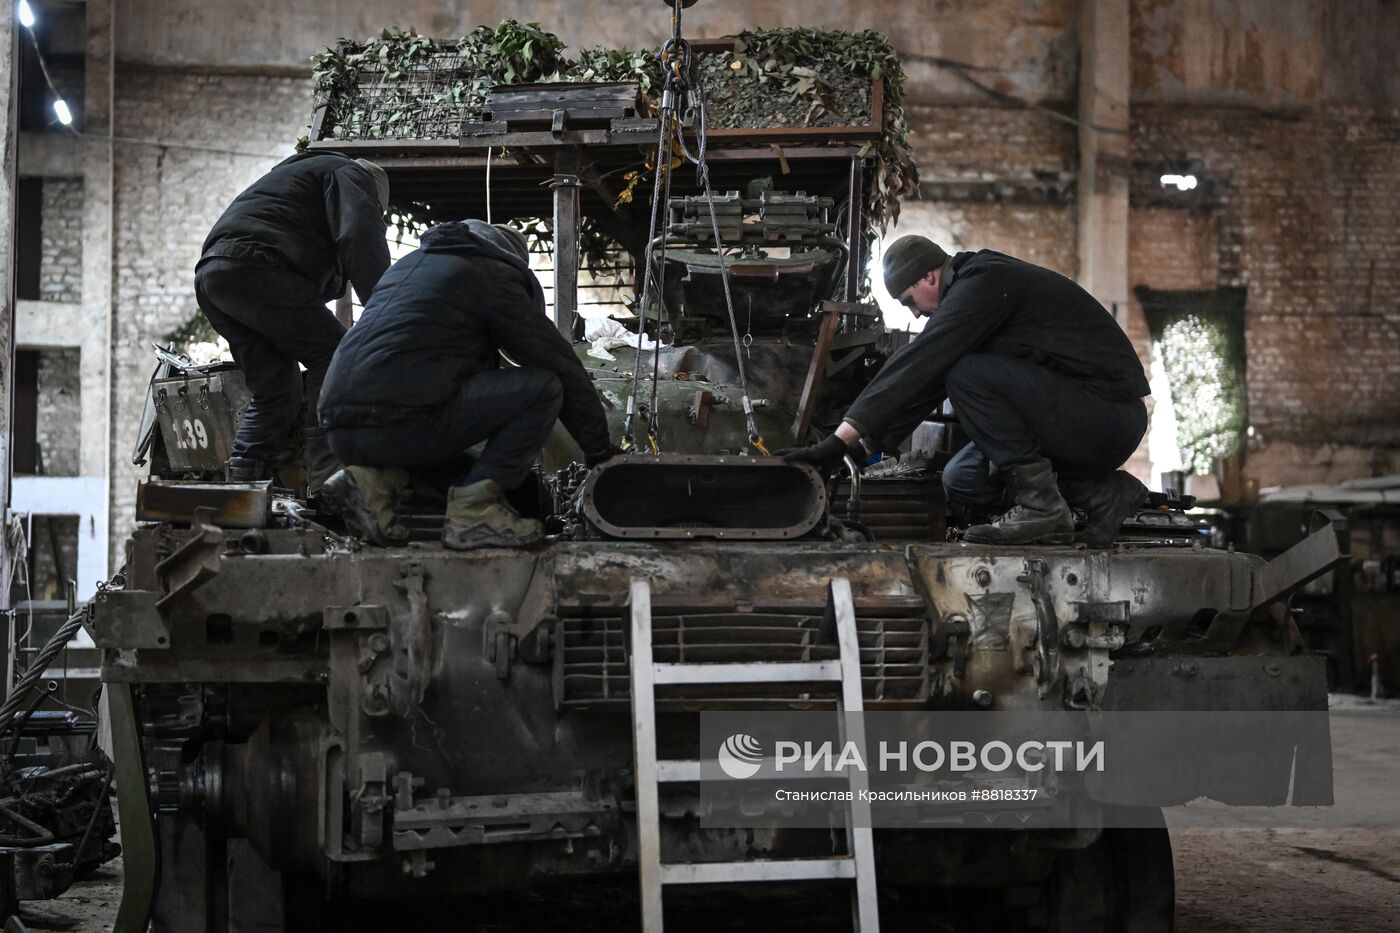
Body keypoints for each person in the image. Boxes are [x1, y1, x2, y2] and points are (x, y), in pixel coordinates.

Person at [783, 235, 1150, 546]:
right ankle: (1104, 493)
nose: (913, 314)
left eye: (909, 301)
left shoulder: (986, 280)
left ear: (928, 275)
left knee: (966, 374)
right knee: (962, 480)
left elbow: (920, 363)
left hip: (1108, 415)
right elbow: (923, 387)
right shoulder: (971, 292)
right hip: (1070, 415)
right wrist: (861, 451)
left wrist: (838, 439)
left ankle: (1041, 507)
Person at [316, 220, 618, 550]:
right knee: (544, 387)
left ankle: (370, 485)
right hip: (401, 419)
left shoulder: (409, 270)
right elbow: (556, 361)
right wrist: (598, 448)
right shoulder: (489, 272)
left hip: (339, 427)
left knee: (465, 465)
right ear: (510, 260)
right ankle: (475, 513)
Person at [195, 151, 391, 490]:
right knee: (333, 355)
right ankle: (327, 482)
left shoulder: (296, 186)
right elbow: (360, 237)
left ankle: (240, 488)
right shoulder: (350, 174)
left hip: (215, 276)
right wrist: (389, 309)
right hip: (258, 266)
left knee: (277, 390)